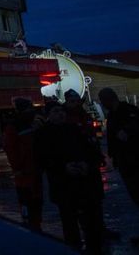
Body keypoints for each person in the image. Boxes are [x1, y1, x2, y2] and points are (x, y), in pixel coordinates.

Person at [35, 102, 104, 254]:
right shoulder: (43, 135)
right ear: (49, 115)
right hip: (63, 186)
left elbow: (91, 151)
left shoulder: (75, 130)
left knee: (89, 222)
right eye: (56, 111)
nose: (60, 114)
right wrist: (63, 168)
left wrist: (87, 165)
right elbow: (43, 159)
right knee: (69, 223)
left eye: (61, 110)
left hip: (82, 183)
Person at [2, 98, 44, 231]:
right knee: (29, 202)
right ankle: (32, 227)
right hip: (26, 173)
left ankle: (34, 226)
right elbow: (11, 149)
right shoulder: (18, 126)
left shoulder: (28, 125)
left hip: (31, 171)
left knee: (34, 202)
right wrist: (18, 168)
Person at [98, 88, 139, 207]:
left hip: (133, 158)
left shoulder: (127, 111)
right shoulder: (112, 115)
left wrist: (127, 131)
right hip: (125, 161)